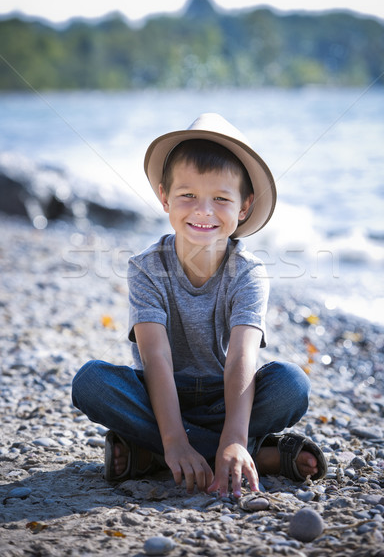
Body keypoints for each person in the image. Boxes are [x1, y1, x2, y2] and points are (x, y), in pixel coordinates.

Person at [72, 113, 326, 498]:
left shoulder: (248, 273)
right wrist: (174, 438)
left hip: (227, 397)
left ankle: (158, 454)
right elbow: (155, 356)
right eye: (188, 195)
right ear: (164, 198)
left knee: (292, 385)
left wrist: (234, 435)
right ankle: (257, 456)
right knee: (91, 382)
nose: (203, 211)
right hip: (160, 394)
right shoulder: (146, 267)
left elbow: (242, 358)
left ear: (244, 206)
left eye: (221, 199)